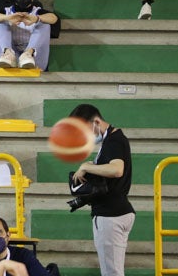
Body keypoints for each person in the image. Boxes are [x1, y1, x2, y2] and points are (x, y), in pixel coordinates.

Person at [69, 103, 134, 276]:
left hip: (111, 215)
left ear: (96, 122)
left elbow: (116, 170)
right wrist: (92, 165)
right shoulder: (112, 140)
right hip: (115, 211)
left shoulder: (113, 140)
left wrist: (86, 166)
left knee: (112, 273)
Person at [0, 0, 58, 70]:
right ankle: (8, 53)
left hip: (33, 59)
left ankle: (28, 53)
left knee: (44, 24)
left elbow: (54, 18)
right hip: (9, 58)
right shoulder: (6, 11)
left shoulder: (38, 11)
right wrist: (7, 18)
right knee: (0, 23)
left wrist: (36, 18)